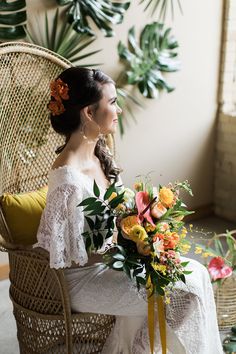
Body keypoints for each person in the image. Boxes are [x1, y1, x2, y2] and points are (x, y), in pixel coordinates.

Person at [34, 67, 223, 354]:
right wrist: (130, 246)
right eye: (112, 102)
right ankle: (144, 346)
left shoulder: (99, 151)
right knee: (186, 292)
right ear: (88, 112)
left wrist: (146, 233)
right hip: (81, 281)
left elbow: (120, 211)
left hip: (112, 263)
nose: (119, 109)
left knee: (196, 273)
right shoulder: (67, 179)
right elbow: (64, 257)